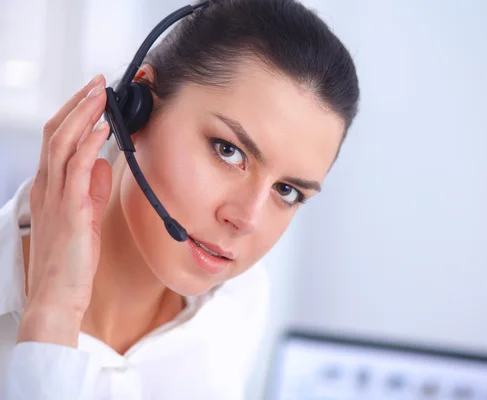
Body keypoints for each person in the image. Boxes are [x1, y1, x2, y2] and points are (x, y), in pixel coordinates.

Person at [0, 0, 359, 398]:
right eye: (228, 150)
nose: (246, 219)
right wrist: (51, 320)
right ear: (134, 109)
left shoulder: (239, 303)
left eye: (287, 191)